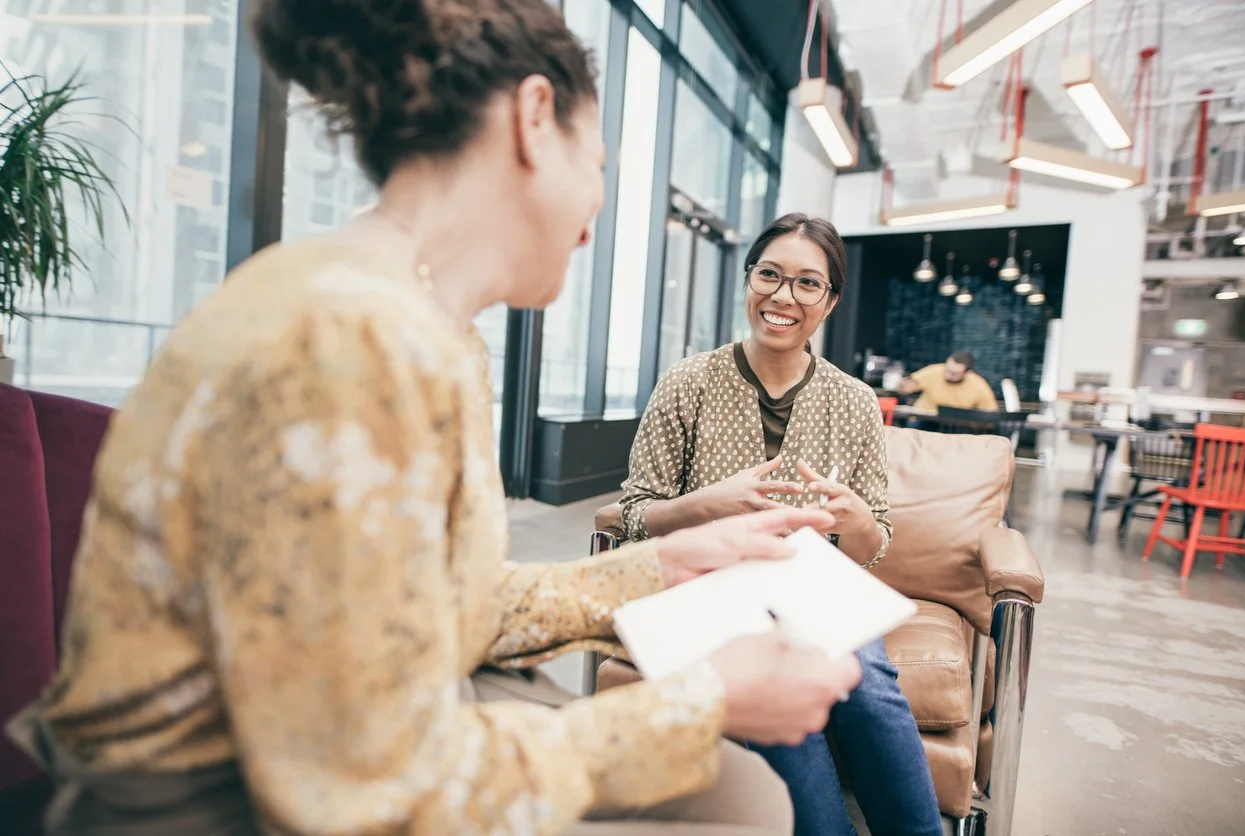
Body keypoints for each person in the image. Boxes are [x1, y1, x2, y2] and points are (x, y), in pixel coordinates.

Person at [4, 3, 863, 834]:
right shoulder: (348, 342)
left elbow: (447, 600)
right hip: (224, 801)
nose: (593, 223)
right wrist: (702, 702)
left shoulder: (419, 325)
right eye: (597, 167)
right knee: (741, 802)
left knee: (740, 794)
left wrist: (663, 562)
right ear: (533, 117)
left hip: (362, 732)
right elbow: (358, 783)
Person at [620, 213, 944, 836]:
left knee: (871, 687)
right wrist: (708, 503)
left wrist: (852, 520)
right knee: (780, 697)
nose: (782, 297)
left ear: (830, 300)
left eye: (806, 284)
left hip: (809, 585)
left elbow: (875, 541)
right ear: (749, 279)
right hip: (706, 585)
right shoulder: (688, 382)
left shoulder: (852, 402)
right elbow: (634, 515)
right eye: (769, 274)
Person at [897, 351, 1000, 411]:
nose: (948, 375)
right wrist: (903, 386)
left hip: (956, 425)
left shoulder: (979, 386)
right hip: (925, 418)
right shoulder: (934, 371)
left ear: (967, 373)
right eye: (947, 370)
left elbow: (990, 413)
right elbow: (906, 386)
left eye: (954, 374)